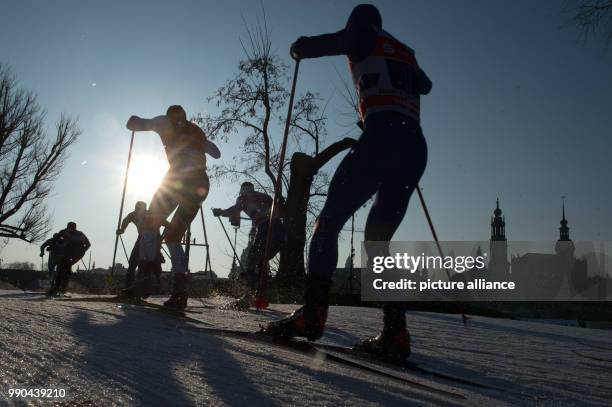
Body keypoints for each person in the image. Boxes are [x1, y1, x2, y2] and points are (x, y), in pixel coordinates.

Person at [265, 4, 432, 365]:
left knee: (328, 222)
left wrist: (302, 47)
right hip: (413, 146)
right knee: (378, 241)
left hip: (382, 136)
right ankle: (395, 332)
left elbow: (346, 39)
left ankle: (312, 314)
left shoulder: (364, 33)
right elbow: (426, 85)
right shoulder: (406, 51)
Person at [126, 105, 220, 309]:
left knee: (150, 225)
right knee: (173, 236)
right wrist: (198, 142)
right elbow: (216, 153)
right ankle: (180, 291)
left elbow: (134, 124)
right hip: (199, 183)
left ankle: (144, 281)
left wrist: (135, 120)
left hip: (177, 178)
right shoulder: (195, 129)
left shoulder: (164, 122)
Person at [213, 182, 285, 308]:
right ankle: (261, 297)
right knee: (262, 262)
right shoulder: (266, 197)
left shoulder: (243, 198)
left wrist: (220, 212)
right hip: (280, 231)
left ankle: (248, 297)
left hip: (266, 228)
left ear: (242, 191)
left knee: (252, 259)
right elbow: (279, 211)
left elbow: (234, 210)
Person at [48, 222, 91, 296]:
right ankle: (62, 288)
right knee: (66, 268)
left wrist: (51, 246)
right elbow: (88, 244)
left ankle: (58, 288)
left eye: (71, 228)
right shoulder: (78, 233)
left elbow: (55, 239)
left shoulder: (69, 232)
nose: (71, 230)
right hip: (74, 254)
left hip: (72, 253)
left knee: (61, 268)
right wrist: (83, 251)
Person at [116, 201, 147, 295]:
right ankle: (129, 287)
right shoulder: (133, 215)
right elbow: (126, 221)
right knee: (133, 263)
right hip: (142, 238)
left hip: (150, 238)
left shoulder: (149, 213)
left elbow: (161, 221)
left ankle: (143, 287)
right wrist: (122, 229)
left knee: (144, 263)